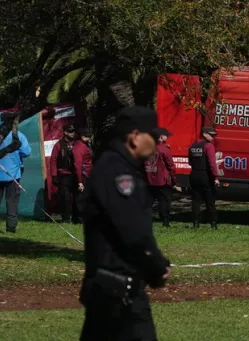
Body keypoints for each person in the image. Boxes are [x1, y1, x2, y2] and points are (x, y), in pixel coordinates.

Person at [78, 106, 171, 341]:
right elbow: (132, 231)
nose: (157, 141)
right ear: (134, 136)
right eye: (152, 135)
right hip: (118, 292)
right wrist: (157, 265)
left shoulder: (117, 166)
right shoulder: (118, 172)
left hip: (111, 289)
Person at [0, 112, 32, 234]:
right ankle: (11, 227)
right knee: (12, 202)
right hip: (13, 174)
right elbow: (26, 152)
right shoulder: (18, 135)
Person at [187, 126, 220, 229]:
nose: (213, 137)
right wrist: (215, 177)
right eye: (211, 135)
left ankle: (195, 223)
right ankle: (213, 223)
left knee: (196, 200)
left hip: (194, 174)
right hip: (205, 175)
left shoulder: (193, 146)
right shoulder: (208, 146)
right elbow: (212, 163)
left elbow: (190, 162)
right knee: (210, 200)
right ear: (205, 134)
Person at [145, 127, 177, 227]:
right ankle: (165, 221)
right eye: (166, 136)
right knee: (163, 200)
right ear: (160, 137)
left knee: (148, 201)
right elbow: (170, 165)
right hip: (162, 180)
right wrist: (174, 179)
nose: (167, 137)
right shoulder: (164, 149)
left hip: (148, 180)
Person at [51, 124, 80, 223]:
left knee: (77, 197)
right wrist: (54, 175)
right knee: (65, 197)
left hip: (75, 174)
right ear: (65, 132)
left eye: (73, 131)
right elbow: (53, 160)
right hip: (63, 174)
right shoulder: (58, 145)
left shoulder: (77, 143)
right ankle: (66, 218)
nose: (73, 133)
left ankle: (77, 218)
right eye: (70, 131)